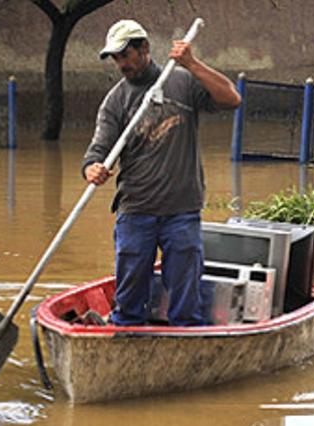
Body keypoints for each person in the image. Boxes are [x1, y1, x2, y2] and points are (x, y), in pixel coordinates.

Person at [83, 19, 241, 327]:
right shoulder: (116, 101)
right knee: (129, 296)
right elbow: (98, 150)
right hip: (136, 210)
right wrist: (92, 169)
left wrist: (192, 63)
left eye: (125, 55)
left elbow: (231, 99)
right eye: (116, 58)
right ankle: (125, 333)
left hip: (181, 210)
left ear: (144, 48)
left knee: (185, 295)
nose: (121, 64)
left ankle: (185, 338)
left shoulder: (182, 82)